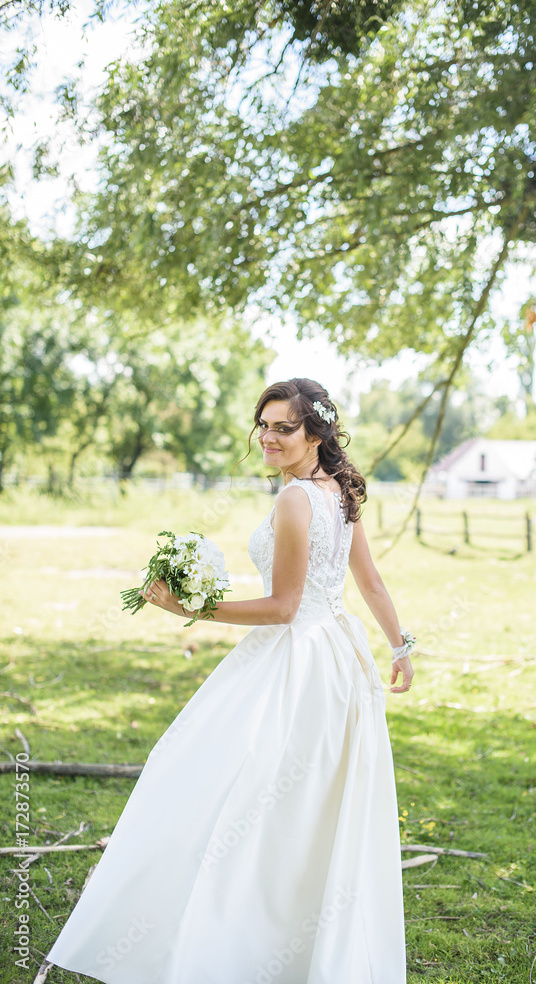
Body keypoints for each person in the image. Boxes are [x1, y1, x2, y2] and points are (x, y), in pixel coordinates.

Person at [46, 377, 415, 984]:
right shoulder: (338, 488)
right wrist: (398, 646)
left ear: (316, 432)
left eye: (283, 427)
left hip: (298, 663)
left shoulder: (297, 500)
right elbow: (367, 582)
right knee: (303, 804)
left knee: (236, 787)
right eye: (263, 425)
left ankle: (236, 940)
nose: (268, 437)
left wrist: (189, 608)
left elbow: (284, 607)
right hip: (340, 659)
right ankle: (294, 946)